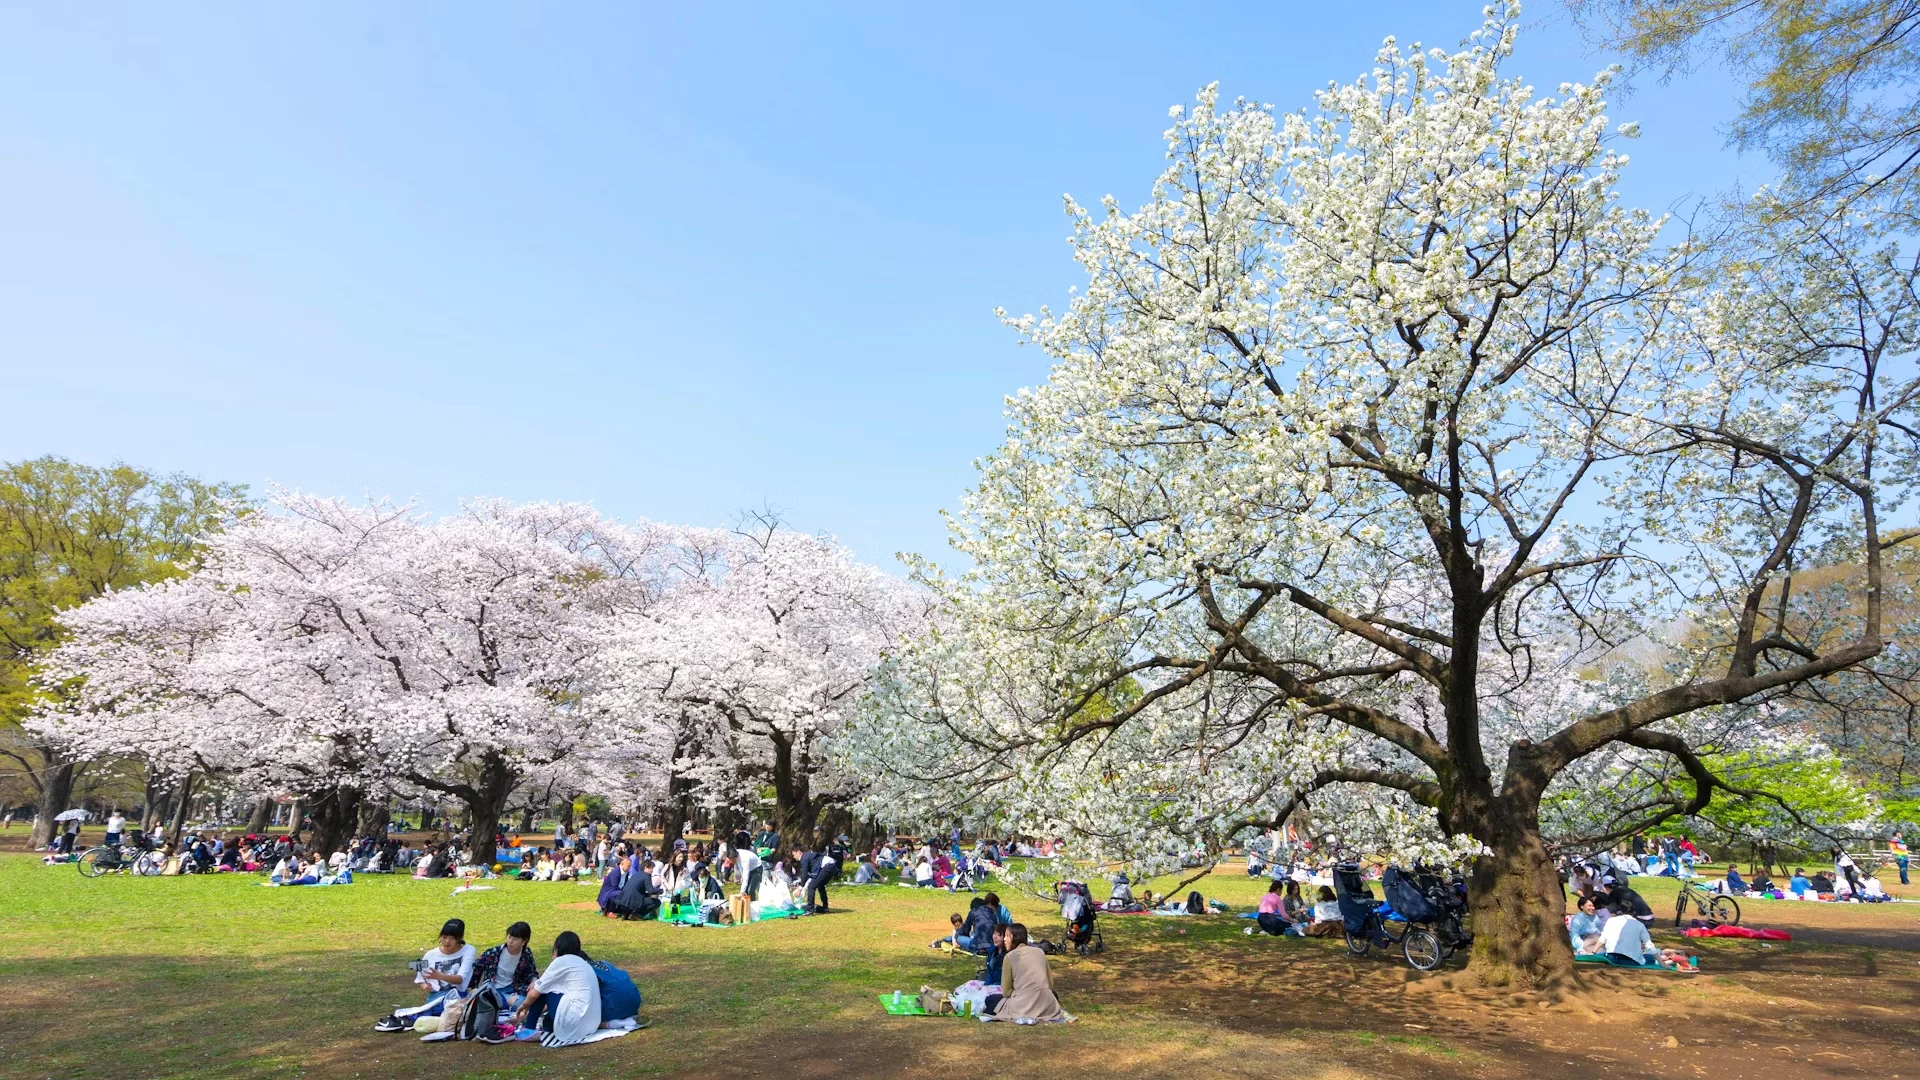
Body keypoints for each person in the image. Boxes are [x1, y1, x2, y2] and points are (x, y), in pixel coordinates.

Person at [374, 919, 475, 1032]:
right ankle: (404, 1019)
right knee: (446, 1006)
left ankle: (413, 1019)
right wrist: (424, 985)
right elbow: (421, 978)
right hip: (437, 996)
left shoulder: (468, 951)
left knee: (460, 1005)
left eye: (452, 938)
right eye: (444, 937)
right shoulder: (430, 955)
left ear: (459, 939)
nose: (447, 941)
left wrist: (439, 976)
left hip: (458, 994)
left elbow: (460, 979)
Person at [514, 931, 602, 1047]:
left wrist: (523, 1005)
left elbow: (535, 993)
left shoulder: (561, 961)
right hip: (591, 1025)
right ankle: (547, 1026)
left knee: (543, 990)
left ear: (557, 948)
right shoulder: (583, 963)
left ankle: (529, 1028)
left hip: (575, 1022)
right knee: (551, 991)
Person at [985, 924, 1071, 1022]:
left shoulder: (1009, 956)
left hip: (1022, 1003)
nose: (1004, 939)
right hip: (1045, 1003)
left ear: (1014, 938)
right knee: (1053, 994)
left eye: (1007, 936)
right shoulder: (1040, 952)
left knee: (990, 1000)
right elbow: (1050, 984)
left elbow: (1006, 991)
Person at [471, 921, 539, 1012]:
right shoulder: (493, 953)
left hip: (514, 989)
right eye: (509, 937)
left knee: (529, 1001)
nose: (510, 941)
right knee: (520, 1004)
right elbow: (476, 968)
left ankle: (502, 1008)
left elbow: (532, 971)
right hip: (494, 989)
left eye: (515, 939)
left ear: (524, 941)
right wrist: (473, 988)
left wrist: (534, 980)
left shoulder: (526, 954)